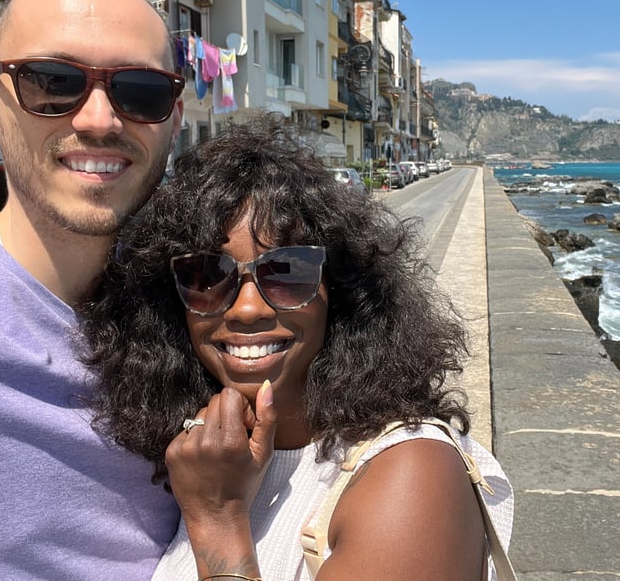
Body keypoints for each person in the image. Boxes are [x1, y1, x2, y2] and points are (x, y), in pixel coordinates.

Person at [82, 115, 514, 581]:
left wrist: (218, 522)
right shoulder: (204, 460)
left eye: (286, 272)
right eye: (206, 276)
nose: (247, 309)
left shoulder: (413, 473)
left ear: (342, 292)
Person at [0, 0, 185, 578]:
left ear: (173, 114)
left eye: (140, 91)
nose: (99, 120)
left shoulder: (207, 308)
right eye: (53, 83)